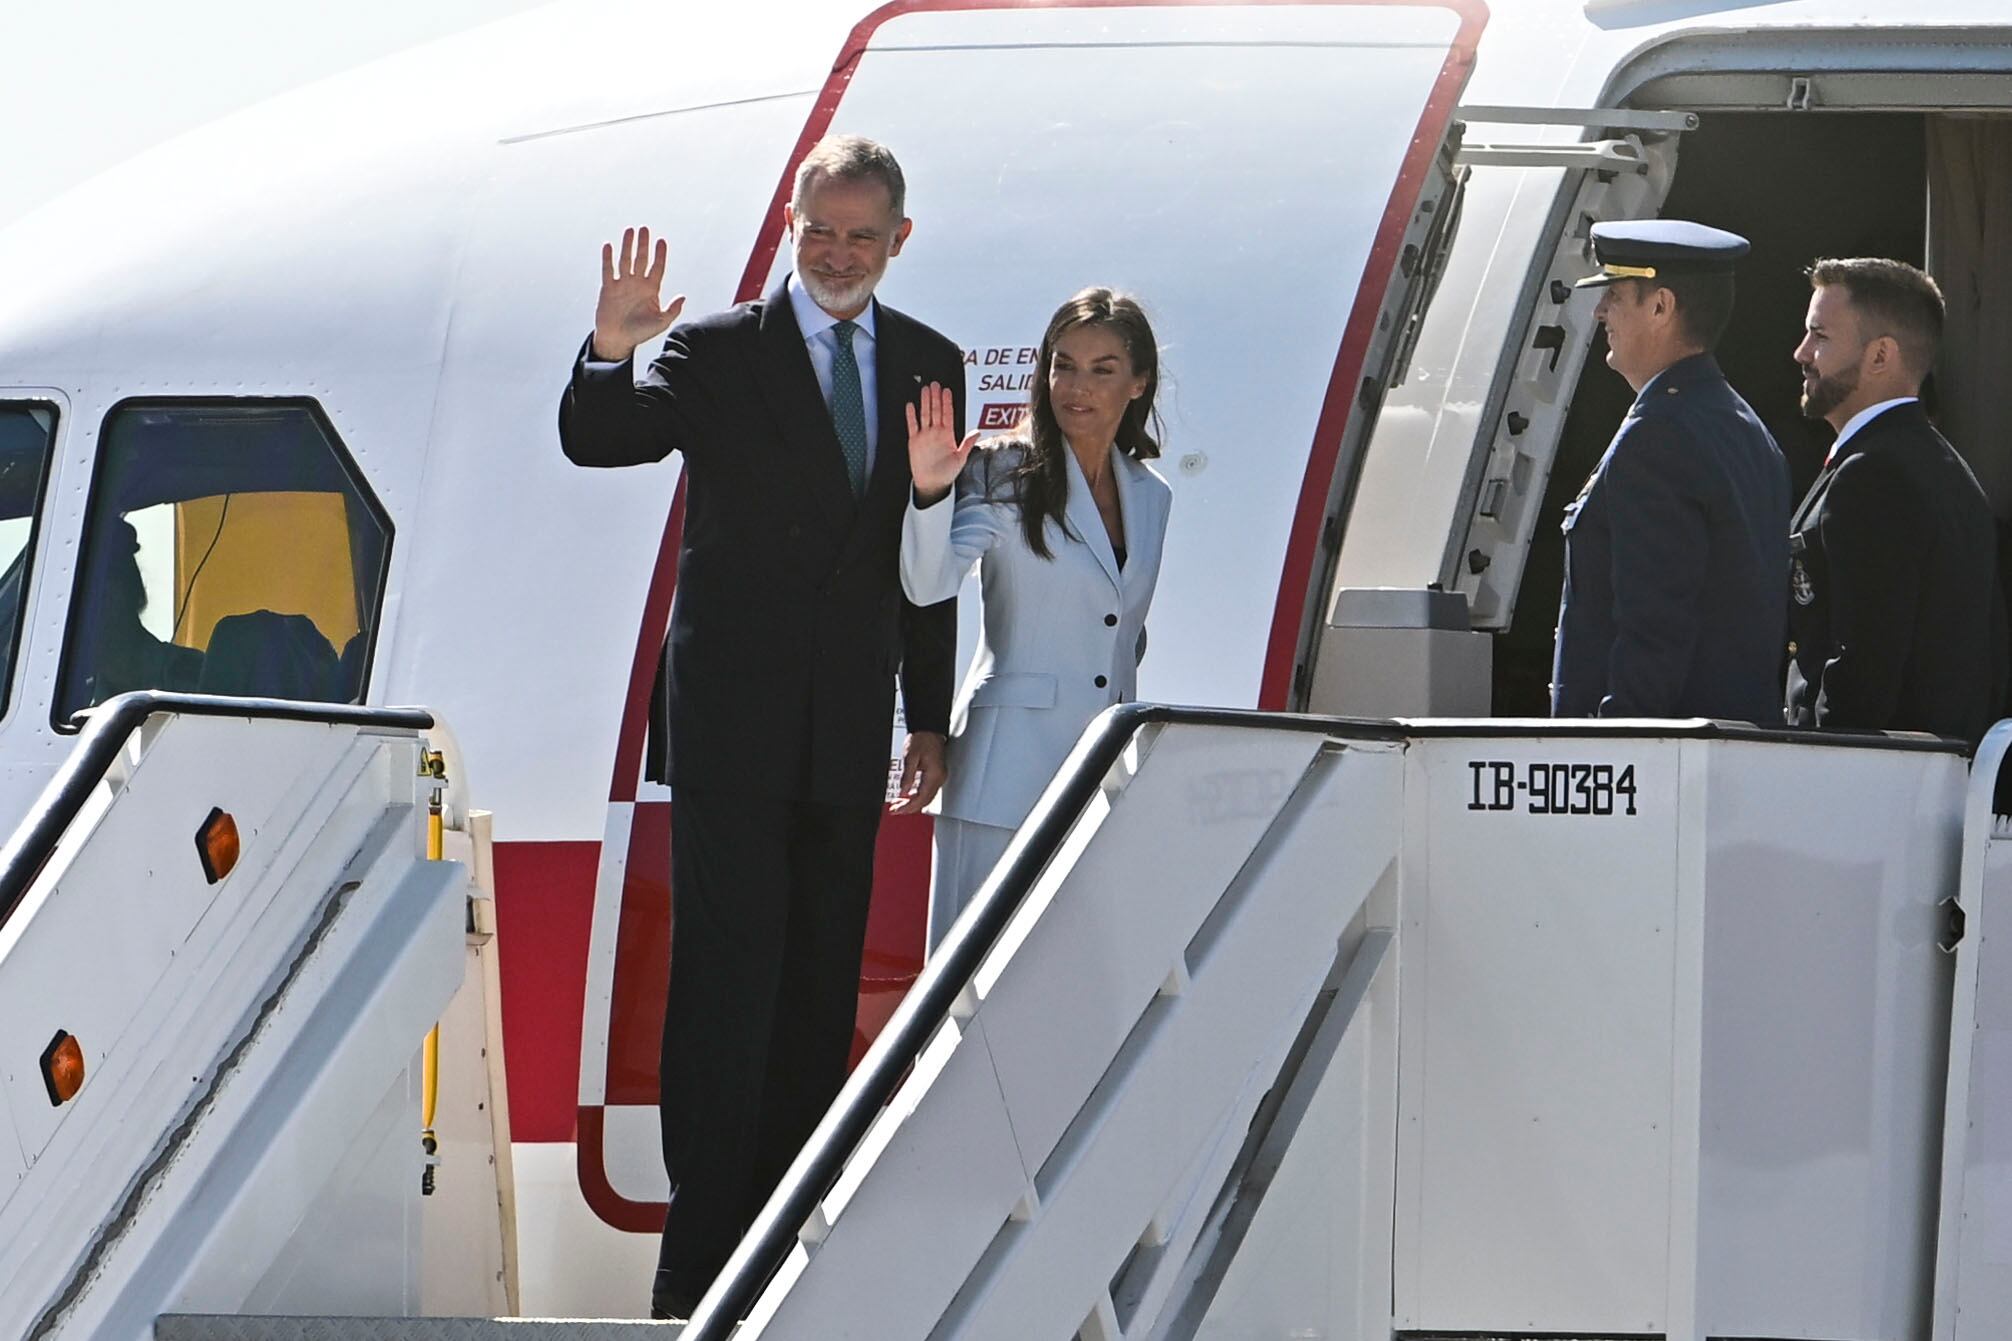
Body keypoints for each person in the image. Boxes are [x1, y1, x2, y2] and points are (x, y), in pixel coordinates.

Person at [556, 135, 963, 1319]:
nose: (837, 254)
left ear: (899, 239)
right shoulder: (718, 349)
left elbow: (919, 557)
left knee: (817, 983)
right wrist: (607, 354)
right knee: (726, 984)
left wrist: (925, 718)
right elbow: (601, 438)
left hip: (843, 723)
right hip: (731, 720)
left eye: (859, 235)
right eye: (818, 231)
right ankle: (700, 1260)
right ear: (790, 227)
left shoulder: (926, 361)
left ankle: (791, 1240)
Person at [901, 288, 1172, 947]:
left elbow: (1120, 634)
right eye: (1063, 364)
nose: (1077, 386)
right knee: (973, 994)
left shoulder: (1151, 496)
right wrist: (931, 491)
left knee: (1073, 988)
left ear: (1138, 383)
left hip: (1099, 779)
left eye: (1103, 369)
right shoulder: (1002, 471)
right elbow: (927, 581)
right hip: (1003, 776)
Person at [1551, 220, 1791, 723]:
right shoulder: (1744, 428)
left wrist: (1612, 751)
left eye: (1614, 296)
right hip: (1720, 758)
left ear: (1660, 306)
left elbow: (1654, 633)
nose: (1599, 313)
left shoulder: (1659, 434)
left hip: (1652, 775)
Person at [1785, 257, 2005, 740]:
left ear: (1881, 356)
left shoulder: (1875, 476)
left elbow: (1862, 673)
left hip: (1864, 791)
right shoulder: (1937, 465)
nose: (1802, 353)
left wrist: (1816, 761)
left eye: (1820, 337)